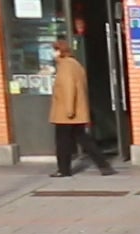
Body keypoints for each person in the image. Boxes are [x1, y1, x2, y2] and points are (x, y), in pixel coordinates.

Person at [48, 38, 114, 178]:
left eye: (53, 50)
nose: (52, 54)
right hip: (76, 111)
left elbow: (68, 88)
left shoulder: (65, 66)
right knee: (84, 139)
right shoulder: (75, 64)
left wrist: (69, 110)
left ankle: (63, 170)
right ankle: (103, 165)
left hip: (66, 113)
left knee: (62, 142)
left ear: (59, 51)